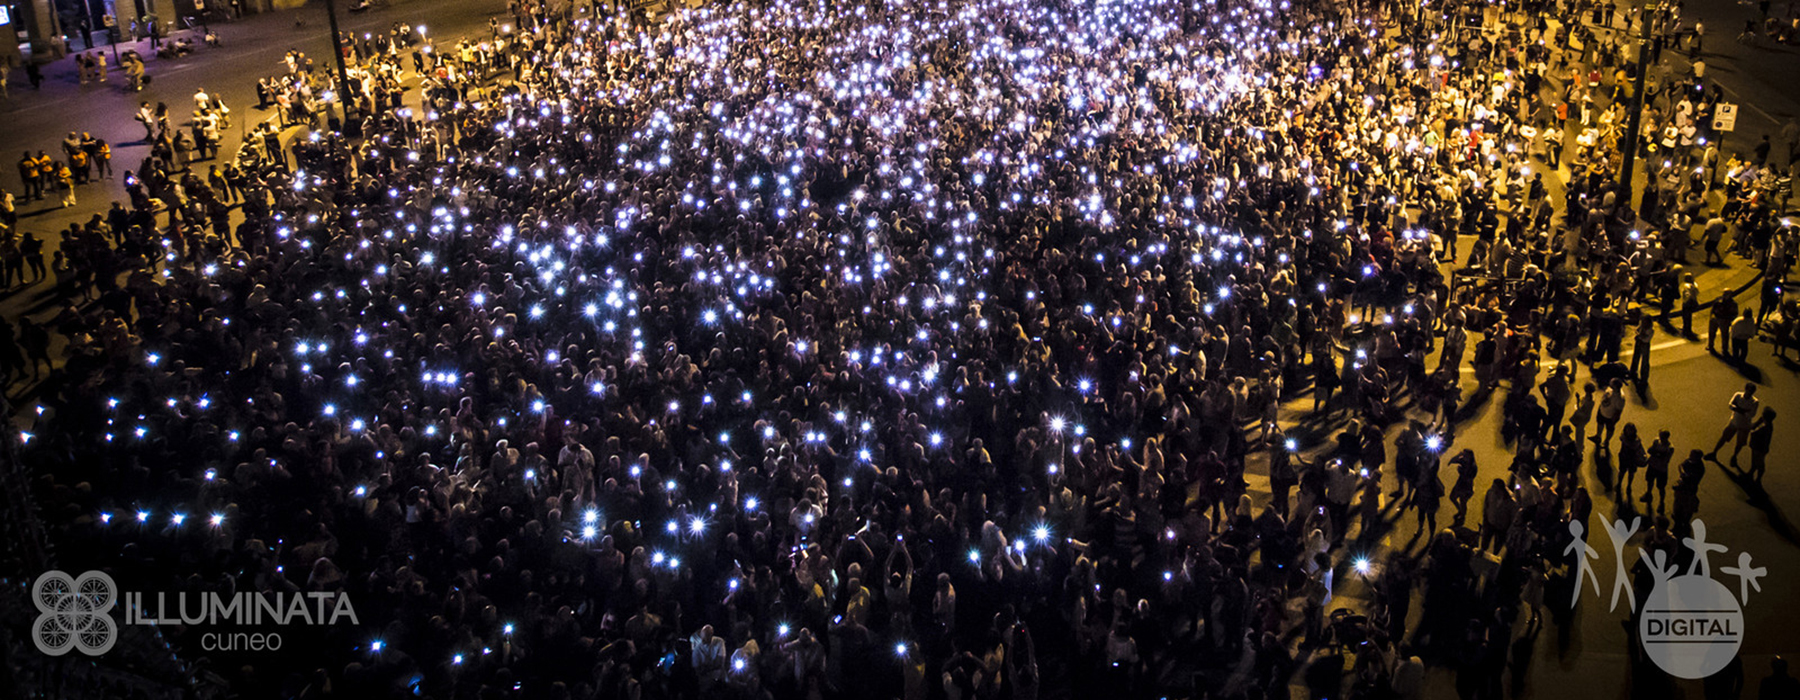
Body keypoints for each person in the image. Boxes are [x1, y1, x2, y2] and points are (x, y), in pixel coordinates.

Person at [1709, 383, 1761, 463]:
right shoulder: (1738, 395)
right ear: (1746, 389)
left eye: (1752, 391)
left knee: (1739, 443)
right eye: (1749, 391)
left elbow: (1751, 415)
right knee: (1724, 437)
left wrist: (1737, 408)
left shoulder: (1755, 402)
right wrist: (1743, 410)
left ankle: (1734, 456)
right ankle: (1714, 453)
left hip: (1744, 426)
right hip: (1734, 422)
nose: (1750, 393)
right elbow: (1730, 405)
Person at [1746, 408, 1776, 482]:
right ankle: (1751, 473)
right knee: (1754, 462)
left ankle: (1758, 479)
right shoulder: (1768, 425)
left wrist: (1757, 422)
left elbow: (1752, 430)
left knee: (1759, 464)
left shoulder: (1765, 427)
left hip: (1759, 447)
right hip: (1758, 446)